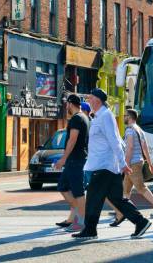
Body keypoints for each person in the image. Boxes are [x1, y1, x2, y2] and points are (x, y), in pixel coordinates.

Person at [73, 88, 152, 240]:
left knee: (93, 199)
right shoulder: (99, 116)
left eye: (90, 98)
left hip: (104, 166)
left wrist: (122, 163)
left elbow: (115, 141)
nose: (88, 100)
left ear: (97, 100)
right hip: (106, 165)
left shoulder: (105, 116)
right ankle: (141, 222)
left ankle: (90, 230)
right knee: (117, 199)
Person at [111, 109, 153, 226]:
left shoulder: (130, 131)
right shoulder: (139, 130)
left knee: (140, 187)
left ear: (130, 117)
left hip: (132, 163)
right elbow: (145, 148)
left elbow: (129, 148)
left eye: (125, 115)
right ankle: (123, 210)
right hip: (136, 162)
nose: (123, 117)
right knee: (126, 189)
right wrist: (150, 163)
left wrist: (125, 164)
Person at [54, 94, 90, 233]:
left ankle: (82, 220)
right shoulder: (84, 117)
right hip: (76, 159)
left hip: (76, 159)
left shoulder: (76, 119)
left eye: (66, 104)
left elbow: (72, 139)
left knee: (78, 192)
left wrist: (63, 158)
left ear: (70, 103)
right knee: (63, 187)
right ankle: (78, 214)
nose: (66, 107)